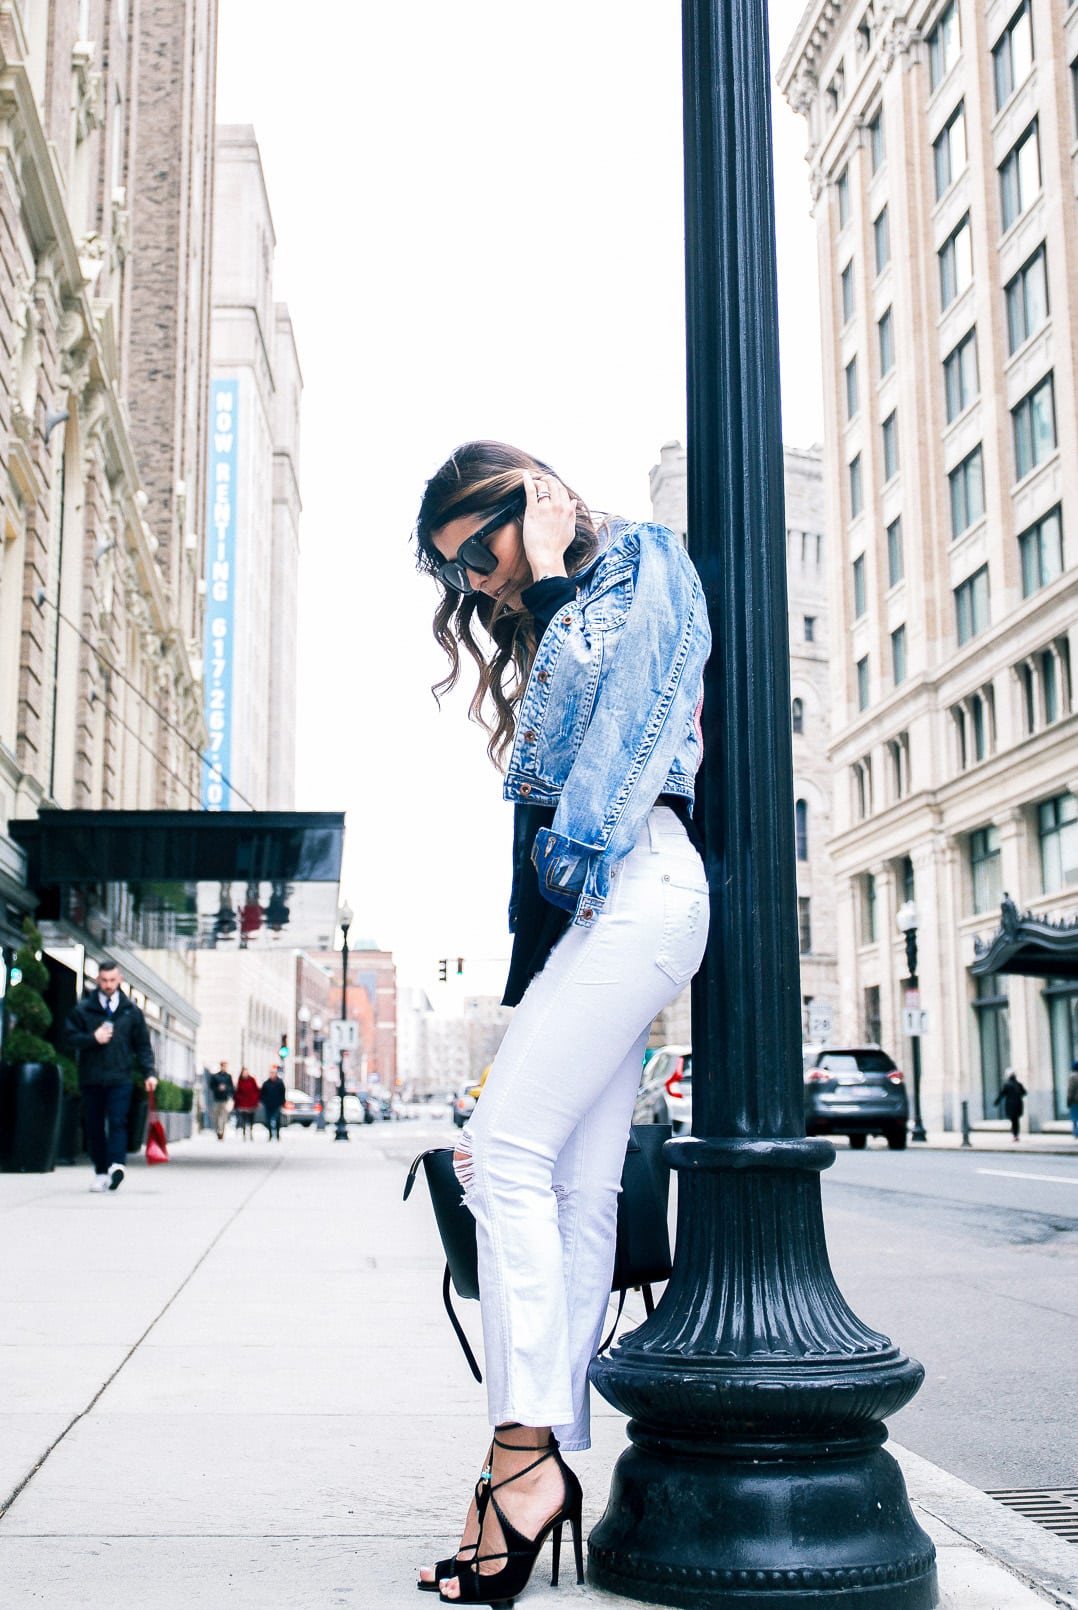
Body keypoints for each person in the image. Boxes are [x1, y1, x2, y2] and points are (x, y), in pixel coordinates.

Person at [413, 442, 710, 1605]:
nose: (475, 586)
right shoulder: (562, 607)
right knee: (577, 1189)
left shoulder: (641, 561)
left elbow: (614, 722)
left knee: (501, 1156)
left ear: (530, 497)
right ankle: (539, 1453)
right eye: (459, 574)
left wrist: (539, 574)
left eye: (474, 551)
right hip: (600, 914)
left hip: (641, 890)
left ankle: (521, 1461)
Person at [65, 960, 157, 1192]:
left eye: (112, 980)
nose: (108, 985)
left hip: (120, 1076)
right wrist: (92, 1038)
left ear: (120, 980)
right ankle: (101, 1172)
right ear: (98, 980)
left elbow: (142, 1045)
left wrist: (149, 1072)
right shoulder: (84, 1009)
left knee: (118, 1121)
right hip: (92, 1077)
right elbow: (69, 1038)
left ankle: (117, 1165)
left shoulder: (131, 1011)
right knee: (94, 1126)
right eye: (104, 981)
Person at [994, 1068, 1027, 1141]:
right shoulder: (1019, 1084)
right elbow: (1024, 1093)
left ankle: (1014, 1134)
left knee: (1013, 1120)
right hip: (1018, 1104)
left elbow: (1002, 1094)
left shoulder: (1007, 1085)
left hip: (1010, 1105)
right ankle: (1015, 1134)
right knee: (1016, 1120)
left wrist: (996, 1102)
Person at [208, 1061, 234, 1140]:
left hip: (224, 1099)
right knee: (216, 1117)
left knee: (223, 1117)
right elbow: (211, 1086)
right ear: (221, 1066)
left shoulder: (228, 1077)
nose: (225, 1068)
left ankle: (222, 1132)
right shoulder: (215, 1076)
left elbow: (231, 1087)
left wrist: (226, 1089)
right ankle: (217, 1131)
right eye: (224, 1066)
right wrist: (218, 1088)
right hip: (217, 1099)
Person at [232, 1067, 260, 1139]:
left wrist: (255, 1099)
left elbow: (256, 1090)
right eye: (244, 1072)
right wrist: (238, 1099)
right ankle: (244, 1133)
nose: (245, 1074)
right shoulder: (240, 1081)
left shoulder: (252, 1080)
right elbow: (237, 1092)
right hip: (243, 1103)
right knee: (243, 1119)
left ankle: (250, 1132)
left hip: (251, 1103)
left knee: (251, 1119)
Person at [260, 1066, 287, 1141]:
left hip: (277, 1104)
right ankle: (270, 1134)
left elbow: (282, 1094)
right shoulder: (266, 1083)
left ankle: (277, 1134)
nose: (272, 1075)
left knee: (277, 1120)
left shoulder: (280, 1083)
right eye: (271, 1073)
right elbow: (262, 1094)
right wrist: (264, 1101)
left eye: (274, 1073)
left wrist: (282, 1102)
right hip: (268, 1105)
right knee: (268, 1120)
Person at [1067, 1058, 1078, 1140]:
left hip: (1075, 1100)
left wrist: (1068, 1100)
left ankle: (1076, 1132)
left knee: (1074, 1117)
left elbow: (1071, 1089)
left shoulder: (1073, 1076)